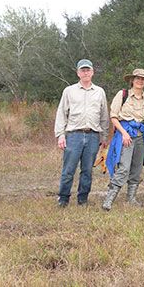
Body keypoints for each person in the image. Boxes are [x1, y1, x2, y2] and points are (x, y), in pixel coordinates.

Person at [54, 59, 109, 207]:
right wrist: (60, 135)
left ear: (92, 72)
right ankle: (63, 198)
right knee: (68, 170)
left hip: (93, 136)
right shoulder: (69, 91)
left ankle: (83, 199)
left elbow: (104, 115)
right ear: (78, 73)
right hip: (73, 135)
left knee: (87, 170)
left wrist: (104, 137)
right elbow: (61, 114)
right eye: (82, 70)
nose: (85, 73)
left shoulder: (99, 92)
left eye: (88, 70)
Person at [102, 68, 144, 211]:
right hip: (125, 135)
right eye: (137, 78)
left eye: (143, 79)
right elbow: (114, 116)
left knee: (137, 168)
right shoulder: (123, 95)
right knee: (124, 167)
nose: (140, 81)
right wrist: (124, 133)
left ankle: (131, 198)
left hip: (141, 137)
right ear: (132, 80)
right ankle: (109, 199)